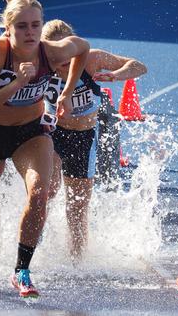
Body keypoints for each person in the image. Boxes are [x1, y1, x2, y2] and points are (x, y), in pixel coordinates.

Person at [0, 0, 89, 298]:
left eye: (35, 25)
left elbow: (82, 47)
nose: (30, 33)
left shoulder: (50, 51)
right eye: (22, 27)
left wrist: (66, 93)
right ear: (7, 30)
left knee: (40, 194)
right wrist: (15, 84)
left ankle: (21, 270)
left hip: (31, 132)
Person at [41, 19, 147, 261]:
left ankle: (77, 260)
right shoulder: (42, 64)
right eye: (56, 55)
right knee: (47, 193)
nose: (63, 62)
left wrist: (116, 75)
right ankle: (33, 252)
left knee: (77, 208)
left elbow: (139, 66)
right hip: (51, 133)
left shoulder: (91, 60)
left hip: (83, 137)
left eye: (67, 54)